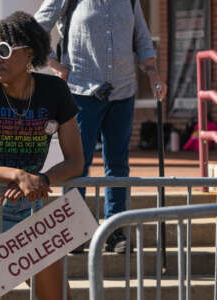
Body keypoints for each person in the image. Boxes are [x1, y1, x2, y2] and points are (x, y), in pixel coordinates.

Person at [0, 11, 83, 300]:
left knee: (57, 297)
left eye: (4, 50)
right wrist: (17, 175)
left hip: (30, 206)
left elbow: (76, 161)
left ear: (30, 53)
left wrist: (42, 179)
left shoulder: (55, 91)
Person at [35, 0, 168, 253]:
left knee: (118, 164)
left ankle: (115, 232)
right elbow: (37, 27)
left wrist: (153, 73)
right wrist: (54, 65)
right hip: (81, 92)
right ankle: (73, 232)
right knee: (77, 163)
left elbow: (141, 37)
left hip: (123, 91)